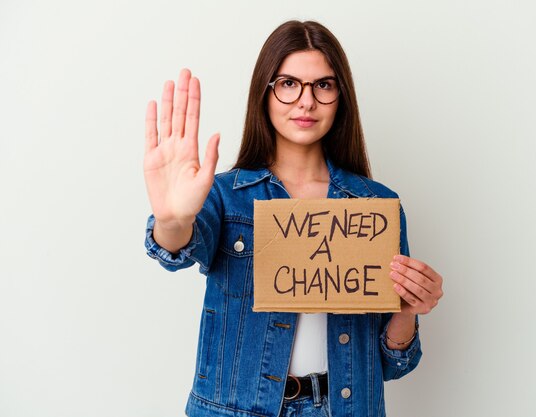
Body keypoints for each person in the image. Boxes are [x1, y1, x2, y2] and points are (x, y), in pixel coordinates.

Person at [143, 20, 444, 417]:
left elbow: (391, 363)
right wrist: (171, 219)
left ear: (341, 97)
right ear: (264, 94)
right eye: (288, 84)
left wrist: (407, 311)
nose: (306, 101)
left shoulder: (377, 206)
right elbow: (173, 248)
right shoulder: (225, 196)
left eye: (323, 85)